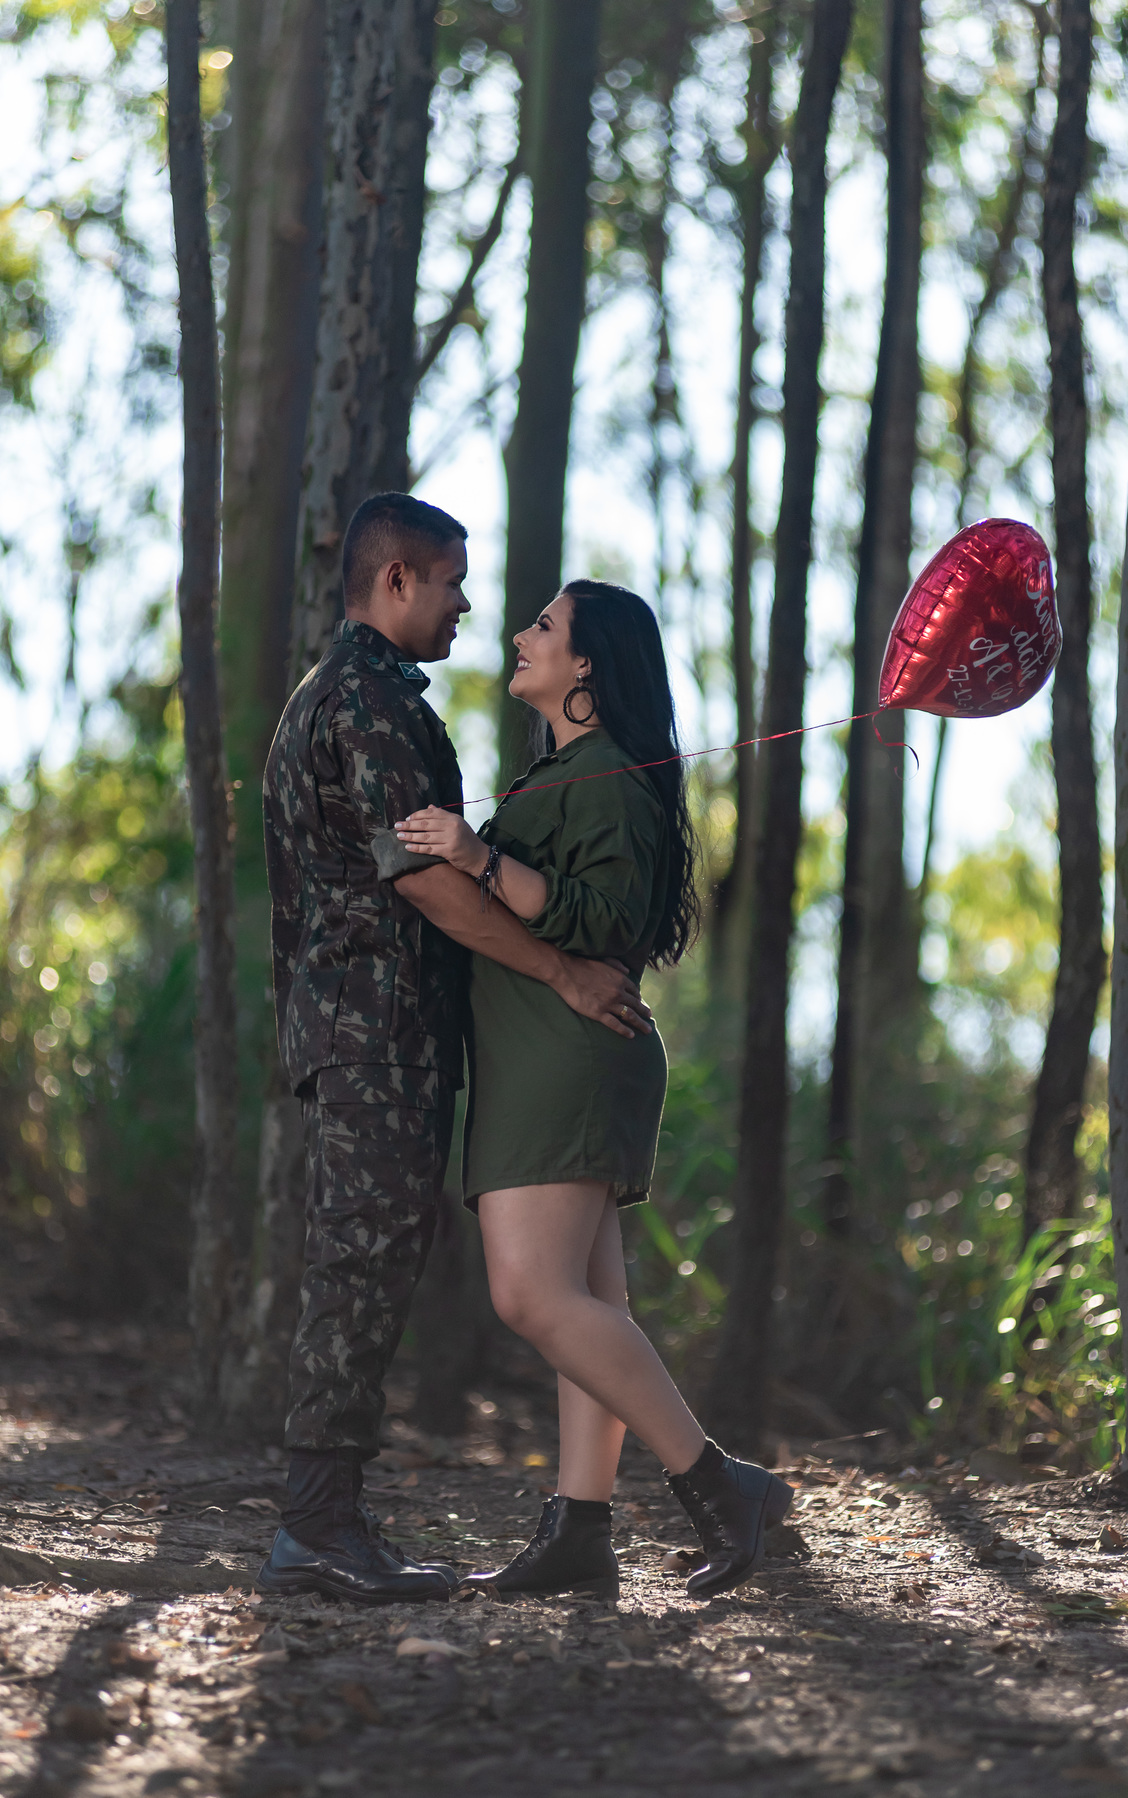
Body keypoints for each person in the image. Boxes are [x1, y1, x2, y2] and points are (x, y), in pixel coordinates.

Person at [257, 497, 653, 1606]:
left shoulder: (366, 695)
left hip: (380, 1033)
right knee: (361, 1262)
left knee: (372, 1260)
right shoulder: (367, 703)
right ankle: (316, 1528)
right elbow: (425, 876)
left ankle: (329, 1522)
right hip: (371, 1032)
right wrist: (564, 971)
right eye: (450, 583)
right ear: (395, 583)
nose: (470, 606)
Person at [395, 580, 794, 1601]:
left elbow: (598, 916)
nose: (519, 635)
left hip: (568, 1053)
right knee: (591, 1300)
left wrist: (476, 854)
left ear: (585, 667)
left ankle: (717, 1481)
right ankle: (580, 1526)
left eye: (544, 627)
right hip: (546, 1049)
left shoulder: (610, 771)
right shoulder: (569, 769)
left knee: (531, 1294)